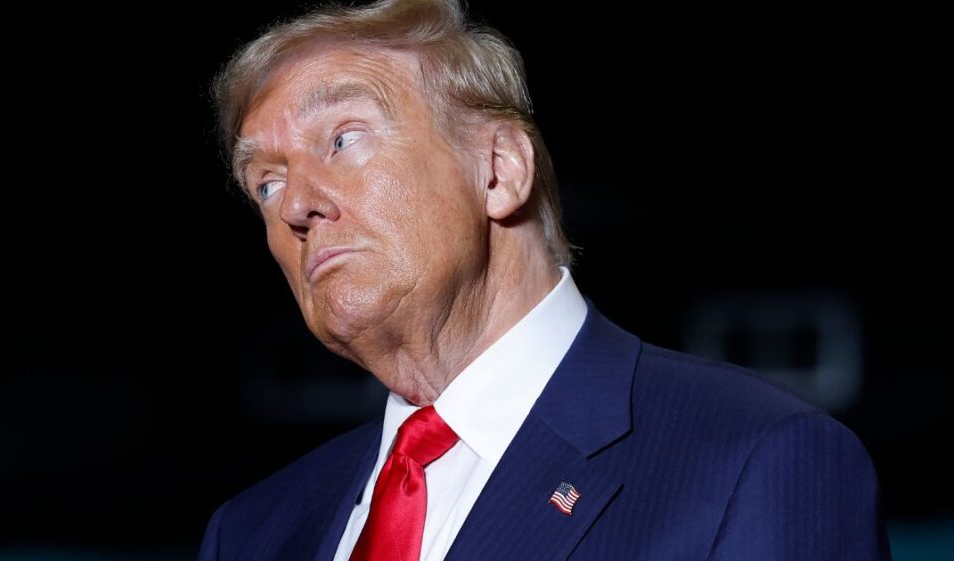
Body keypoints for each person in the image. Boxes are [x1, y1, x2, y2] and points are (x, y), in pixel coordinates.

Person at [198, 0, 891, 559]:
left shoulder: (758, 462)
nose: (294, 205)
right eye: (265, 183)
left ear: (499, 170)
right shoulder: (252, 531)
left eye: (342, 139)